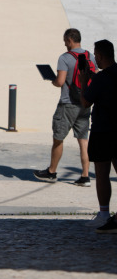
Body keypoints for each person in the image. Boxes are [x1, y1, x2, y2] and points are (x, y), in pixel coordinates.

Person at [34, 28, 97, 186]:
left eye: (65, 41)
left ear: (69, 40)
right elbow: (94, 77)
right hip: (84, 103)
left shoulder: (65, 58)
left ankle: (51, 172)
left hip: (67, 103)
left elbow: (60, 82)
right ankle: (85, 176)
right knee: (83, 140)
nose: (64, 44)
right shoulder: (91, 56)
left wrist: (52, 80)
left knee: (58, 139)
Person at [77, 40, 117, 232]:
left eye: (96, 55)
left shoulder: (101, 79)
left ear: (100, 56)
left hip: (102, 130)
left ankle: (103, 214)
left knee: (102, 174)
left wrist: (85, 82)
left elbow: (85, 102)